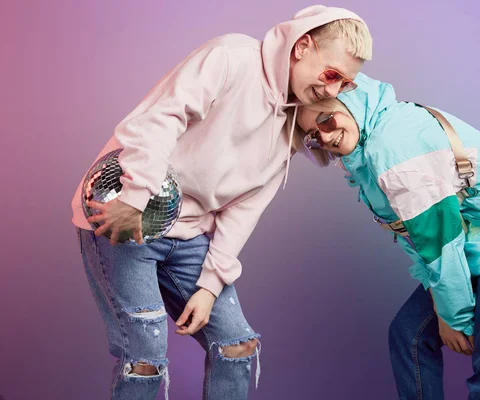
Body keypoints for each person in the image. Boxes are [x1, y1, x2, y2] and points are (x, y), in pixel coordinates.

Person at [71, 6, 373, 399]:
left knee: (236, 346)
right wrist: (136, 195)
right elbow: (160, 119)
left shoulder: (293, 126)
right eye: (332, 74)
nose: (332, 91)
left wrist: (210, 286)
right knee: (144, 359)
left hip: (190, 234)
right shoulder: (232, 58)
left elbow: (243, 210)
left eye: (345, 85)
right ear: (302, 46)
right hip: (126, 212)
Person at [293, 72, 480, 399]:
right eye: (313, 136)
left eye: (325, 121)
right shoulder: (366, 154)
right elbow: (418, 238)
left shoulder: (391, 144)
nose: (324, 139)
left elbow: (439, 239)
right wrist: (444, 305)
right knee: (409, 336)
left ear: (349, 100)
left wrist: (454, 316)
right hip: (476, 242)